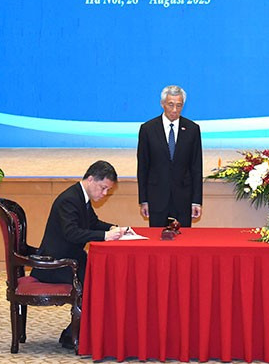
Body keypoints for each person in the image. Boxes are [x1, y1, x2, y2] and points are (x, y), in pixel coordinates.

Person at [31, 160, 125, 349]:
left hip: (71, 260)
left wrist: (116, 228)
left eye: (107, 190)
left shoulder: (81, 197)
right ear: (91, 179)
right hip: (55, 265)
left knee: (103, 277)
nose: (104, 194)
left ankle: (82, 331)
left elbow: (93, 223)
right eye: (103, 188)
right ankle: (73, 335)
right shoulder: (69, 199)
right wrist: (106, 236)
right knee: (95, 282)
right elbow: (72, 233)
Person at [137, 85, 203, 227]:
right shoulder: (147, 129)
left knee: (183, 244)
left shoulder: (192, 129)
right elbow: (143, 167)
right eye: (171, 105)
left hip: (183, 199)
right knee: (157, 244)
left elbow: (196, 167)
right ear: (162, 104)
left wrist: (196, 201)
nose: (174, 110)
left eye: (179, 106)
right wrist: (144, 200)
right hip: (156, 198)